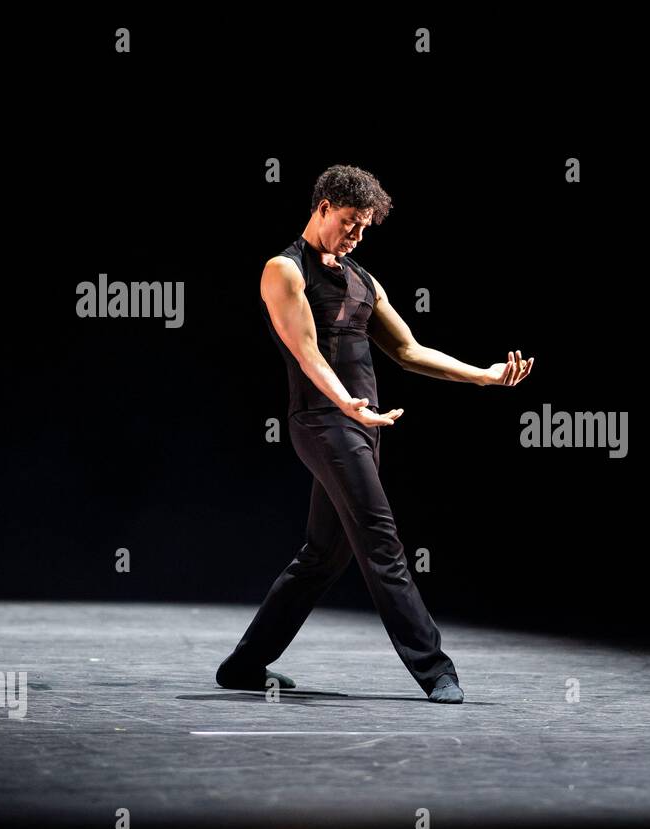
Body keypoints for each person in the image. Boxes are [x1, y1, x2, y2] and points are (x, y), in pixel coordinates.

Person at [216, 164, 534, 703]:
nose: (356, 234)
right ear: (322, 208)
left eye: (364, 226)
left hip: (363, 425)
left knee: (323, 556)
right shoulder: (284, 271)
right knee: (380, 541)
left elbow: (409, 351)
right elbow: (307, 351)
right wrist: (344, 402)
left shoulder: (363, 279)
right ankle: (435, 670)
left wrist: (484, 375)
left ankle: (244, 666)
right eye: (349, 222)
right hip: (321, 422)